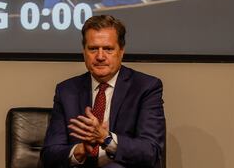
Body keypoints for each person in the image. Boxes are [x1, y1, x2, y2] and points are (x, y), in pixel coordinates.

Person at [41, 15, 165, 168]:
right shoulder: (66, 91)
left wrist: (106, 139)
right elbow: (49, 155)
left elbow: (150, 152)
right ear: (84, 52)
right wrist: (80, 150)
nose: (100, 56)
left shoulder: (145, 87)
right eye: (93, 49)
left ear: (121, 51)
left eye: (108, 49)